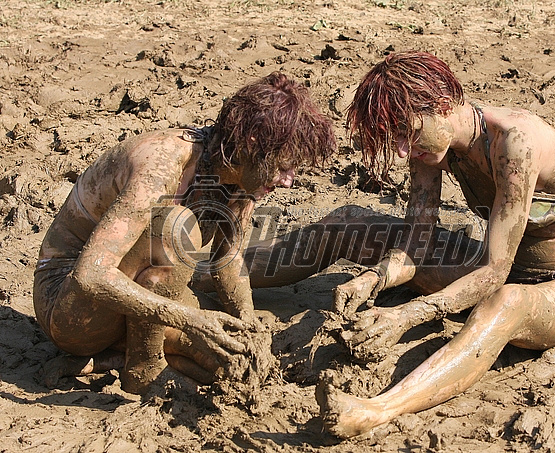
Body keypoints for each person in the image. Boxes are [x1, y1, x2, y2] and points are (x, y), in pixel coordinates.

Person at [300, 51, 555, 438]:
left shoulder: (515, 142)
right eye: (395, 137)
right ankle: (227, 279)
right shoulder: (430, 146)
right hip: (501, 268)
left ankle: (377, 410)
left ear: (443, 104)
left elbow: (494, 273)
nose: (402, 150)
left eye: (407, 131)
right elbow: (417, 243)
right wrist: (374, 279)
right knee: (349, 223)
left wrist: (406, 315)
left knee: (508, 302)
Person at [33, 72, 336, 394]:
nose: (289, 181)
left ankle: (114, 359)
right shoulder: (162, 163)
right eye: (284, 167)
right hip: (70, 310)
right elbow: (91, 275)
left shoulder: (244, 175)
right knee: (176, 228)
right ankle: (143, 366)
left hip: (137, 301)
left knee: (231, 361)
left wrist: (247, 324)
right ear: (251, 145)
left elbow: (228, 260)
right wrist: (188, 319)